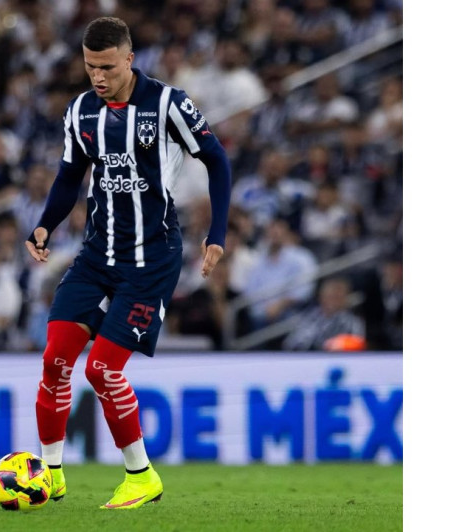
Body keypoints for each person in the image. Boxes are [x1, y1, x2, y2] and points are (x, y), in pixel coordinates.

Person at [23, 17, 231, 510]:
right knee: (54, 359)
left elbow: (217, 160)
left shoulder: (168, 104)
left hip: (151, 259)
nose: (98, 76)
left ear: (129, 59)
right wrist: (44, 225)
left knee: (101, 370)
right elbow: (70, 176)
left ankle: (141, 476)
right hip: (97, 254)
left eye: (108, 67)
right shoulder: (80, 111)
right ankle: (50, 474)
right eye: (91, 66)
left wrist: (216, 235)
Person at [282, 277, 365, 351]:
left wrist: (336, 344)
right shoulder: (309, 317)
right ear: (321, 296)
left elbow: (358, 343)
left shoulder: (353, 322)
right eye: (331, 297)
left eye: (338, 297)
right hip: (311, 360)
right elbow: (291, 344)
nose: (333, 302)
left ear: (345, 298)